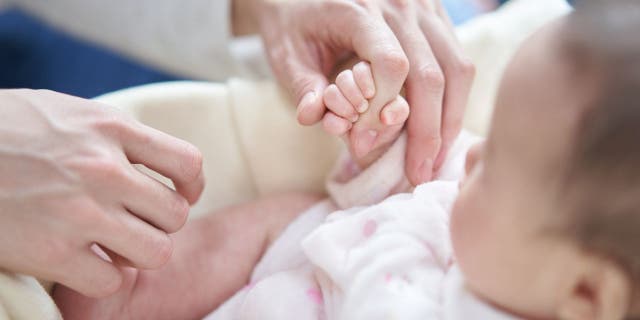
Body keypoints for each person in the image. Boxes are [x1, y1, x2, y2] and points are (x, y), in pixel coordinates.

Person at [53, 1, 640, 319]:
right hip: (302, 252)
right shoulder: (494, 233)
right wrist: (380, 129)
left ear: (589, 297)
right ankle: (121, 294)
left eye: (501, 164)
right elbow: (425, 167)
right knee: (276, 218)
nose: (475, 154)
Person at [0, 0, 473, 302]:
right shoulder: (438, 207)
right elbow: (114, 290)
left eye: (512, 160)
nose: (478, 160)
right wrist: (376, 120)